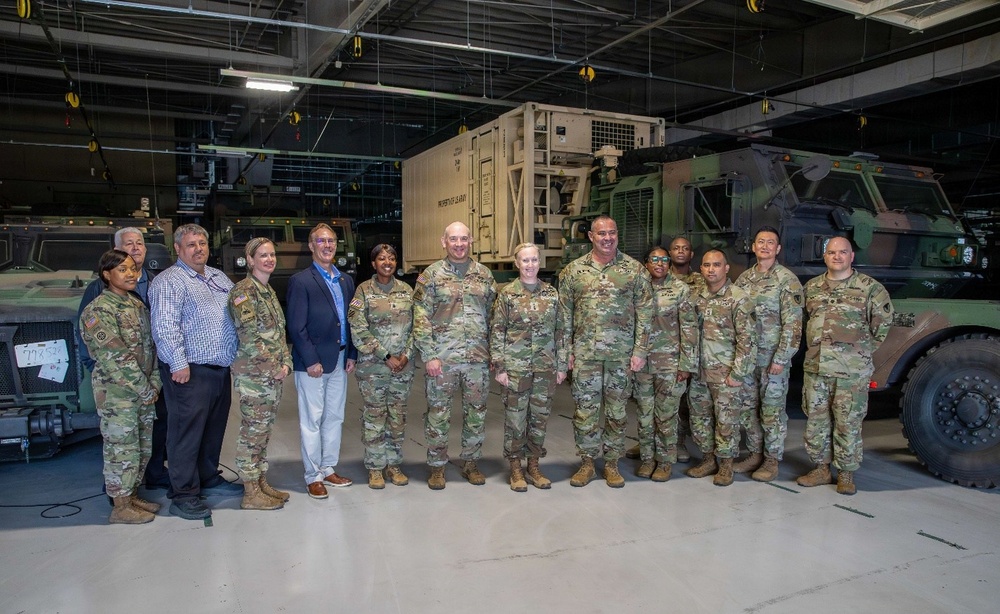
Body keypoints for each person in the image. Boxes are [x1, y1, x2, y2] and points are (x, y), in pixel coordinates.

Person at [150, 224, 240, 521]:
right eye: (191, 244)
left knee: (213, 429)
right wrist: (177, 363)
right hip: (189, 371)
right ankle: (184, 494)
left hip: (219, 367)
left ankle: (208, 477)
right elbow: (164, 327)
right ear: (178, 249)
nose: (198, 248)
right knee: (186, 434)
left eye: (202, 243)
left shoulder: (218, 277)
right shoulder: (169, 281)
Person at [558, 215, 652, 488]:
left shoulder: (634, 270)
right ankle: (587, 463)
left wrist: (640, 350)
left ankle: (612, 464)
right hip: (585, 355)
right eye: (602, 233)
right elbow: (564, 317)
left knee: (617, 413)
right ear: (591, 236)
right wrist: (566, 354)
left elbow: (645, 312)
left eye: (612, 232)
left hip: (621, 357)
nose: (607, 238)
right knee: (585, 412)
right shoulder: (573, 272)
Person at [798, 236, 893, 495]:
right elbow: (804, 321)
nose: (837, 256)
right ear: (825, 256)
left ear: (852, 256)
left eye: (842, 252)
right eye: (831, 252)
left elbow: (881, 325)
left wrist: (858, 353)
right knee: (816, 421)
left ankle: (846, 473)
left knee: (847, 422)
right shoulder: (812, 287)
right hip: (816, 368)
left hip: (851, 373)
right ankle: (820, 468)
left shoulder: (870, 288)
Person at [78, 227, 169, 490]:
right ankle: (120, 502)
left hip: (144, 391)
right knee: (121, 450)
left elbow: (152, 345)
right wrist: (145, 388)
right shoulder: (98, 306)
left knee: (140, 447)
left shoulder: (137, 304)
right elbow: (114, 356)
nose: (130, 273)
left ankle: (133, 496)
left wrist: (153, 382)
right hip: (120, 392)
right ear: (107, 274)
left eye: (133, 269)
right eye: (122, 269)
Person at [413, 221, 497, 489]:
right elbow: (420, 316)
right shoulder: (431, 275)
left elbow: (496, 317)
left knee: (476, 413)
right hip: (443, 359)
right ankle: (437, 466)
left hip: (477, 359)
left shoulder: (484, 275)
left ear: (471, 240)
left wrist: (495, 355)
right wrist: (429, 354)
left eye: (463, 239)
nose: (459, 244)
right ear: (443, 242)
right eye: (453, 239)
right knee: (438, 413)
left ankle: (471, 463)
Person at [287, 223, 358, 499]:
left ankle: (328, 468)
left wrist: (351, 353)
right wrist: (310, 360)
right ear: (311, 246)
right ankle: (312, 475)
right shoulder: (301, 280)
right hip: (313, 364)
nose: (327, 245)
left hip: (340, 359)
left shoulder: (344, 280)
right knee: (312, 419)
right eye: (321, 241)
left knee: (334, 417)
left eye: (331, 241)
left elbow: (351, 322)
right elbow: (296, 326)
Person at [489, 243, 566, 492]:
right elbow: (497, 331)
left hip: (545, 368)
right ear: (517, 263)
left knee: (539, 419)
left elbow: (561, 332)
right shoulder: (507, 295)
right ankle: (515, 467)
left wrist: (562, 365)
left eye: (534, 260)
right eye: (525, 261)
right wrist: (499, 367)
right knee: (515, 419)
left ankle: (533, 464)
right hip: (515, 368)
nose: (530, 265)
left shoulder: (552, 294)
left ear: (539, 263)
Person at [733, 227, 803, 481]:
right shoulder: (743, 280)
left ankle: (772, 459)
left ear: (778, 249)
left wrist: (781, 359)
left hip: (773, 360)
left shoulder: (787, 280)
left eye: (770, 242)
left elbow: (794, 325)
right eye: (760, 241)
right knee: (748, 408)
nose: (764, 246)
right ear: (753, 247)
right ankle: (754, 454)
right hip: (748, 358)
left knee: (772, 410)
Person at [228, 238, 292, 510]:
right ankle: (250, 490)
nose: (269, 259)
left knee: (263, 431)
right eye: (262, 255)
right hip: (256, 376)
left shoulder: (268, 291)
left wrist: (286, 362)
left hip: (272, 376)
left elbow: (279, 334)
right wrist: (274, 368)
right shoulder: (244, 292)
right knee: (252, 432)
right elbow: (250, 336)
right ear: (250, 260)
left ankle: (260, 480)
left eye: (272, 254)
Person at [627, 235, 703, 463]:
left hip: (670, 364)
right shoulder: (637, 288)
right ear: (646, 263)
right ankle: (648, 459)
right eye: (654, 259)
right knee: (644, 414)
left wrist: (687, 365)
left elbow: (690, 329)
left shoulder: (680, 290)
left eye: (664, 260)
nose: (659, 264)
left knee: (667, 415)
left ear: (669, 263)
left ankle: (666, 461)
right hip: (642, 364)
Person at [685, 249, 757, 487]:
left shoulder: (738, 298)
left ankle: (725, 465)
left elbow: (747, 340)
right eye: (706, 265)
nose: (711, 269)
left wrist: (737, 373)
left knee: (726, 421)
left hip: (726, 374)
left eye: (716, 265)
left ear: (726, 268)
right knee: (700, 419)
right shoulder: (696, 297)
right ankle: (708, 460)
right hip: (699, 372)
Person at [348, 244, 415, 490]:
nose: (387, 262)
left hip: (402, 369)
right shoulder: (363, 291)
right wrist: (385, 355)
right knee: (375, 416)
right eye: (381, 258)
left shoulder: (407, 291)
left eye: (392, 258)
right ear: (373, 263)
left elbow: (416, 327)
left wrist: (406, 355)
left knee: (397, 417)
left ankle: (394, 465)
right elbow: (358, 328)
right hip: (373, 368)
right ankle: (375, 467)